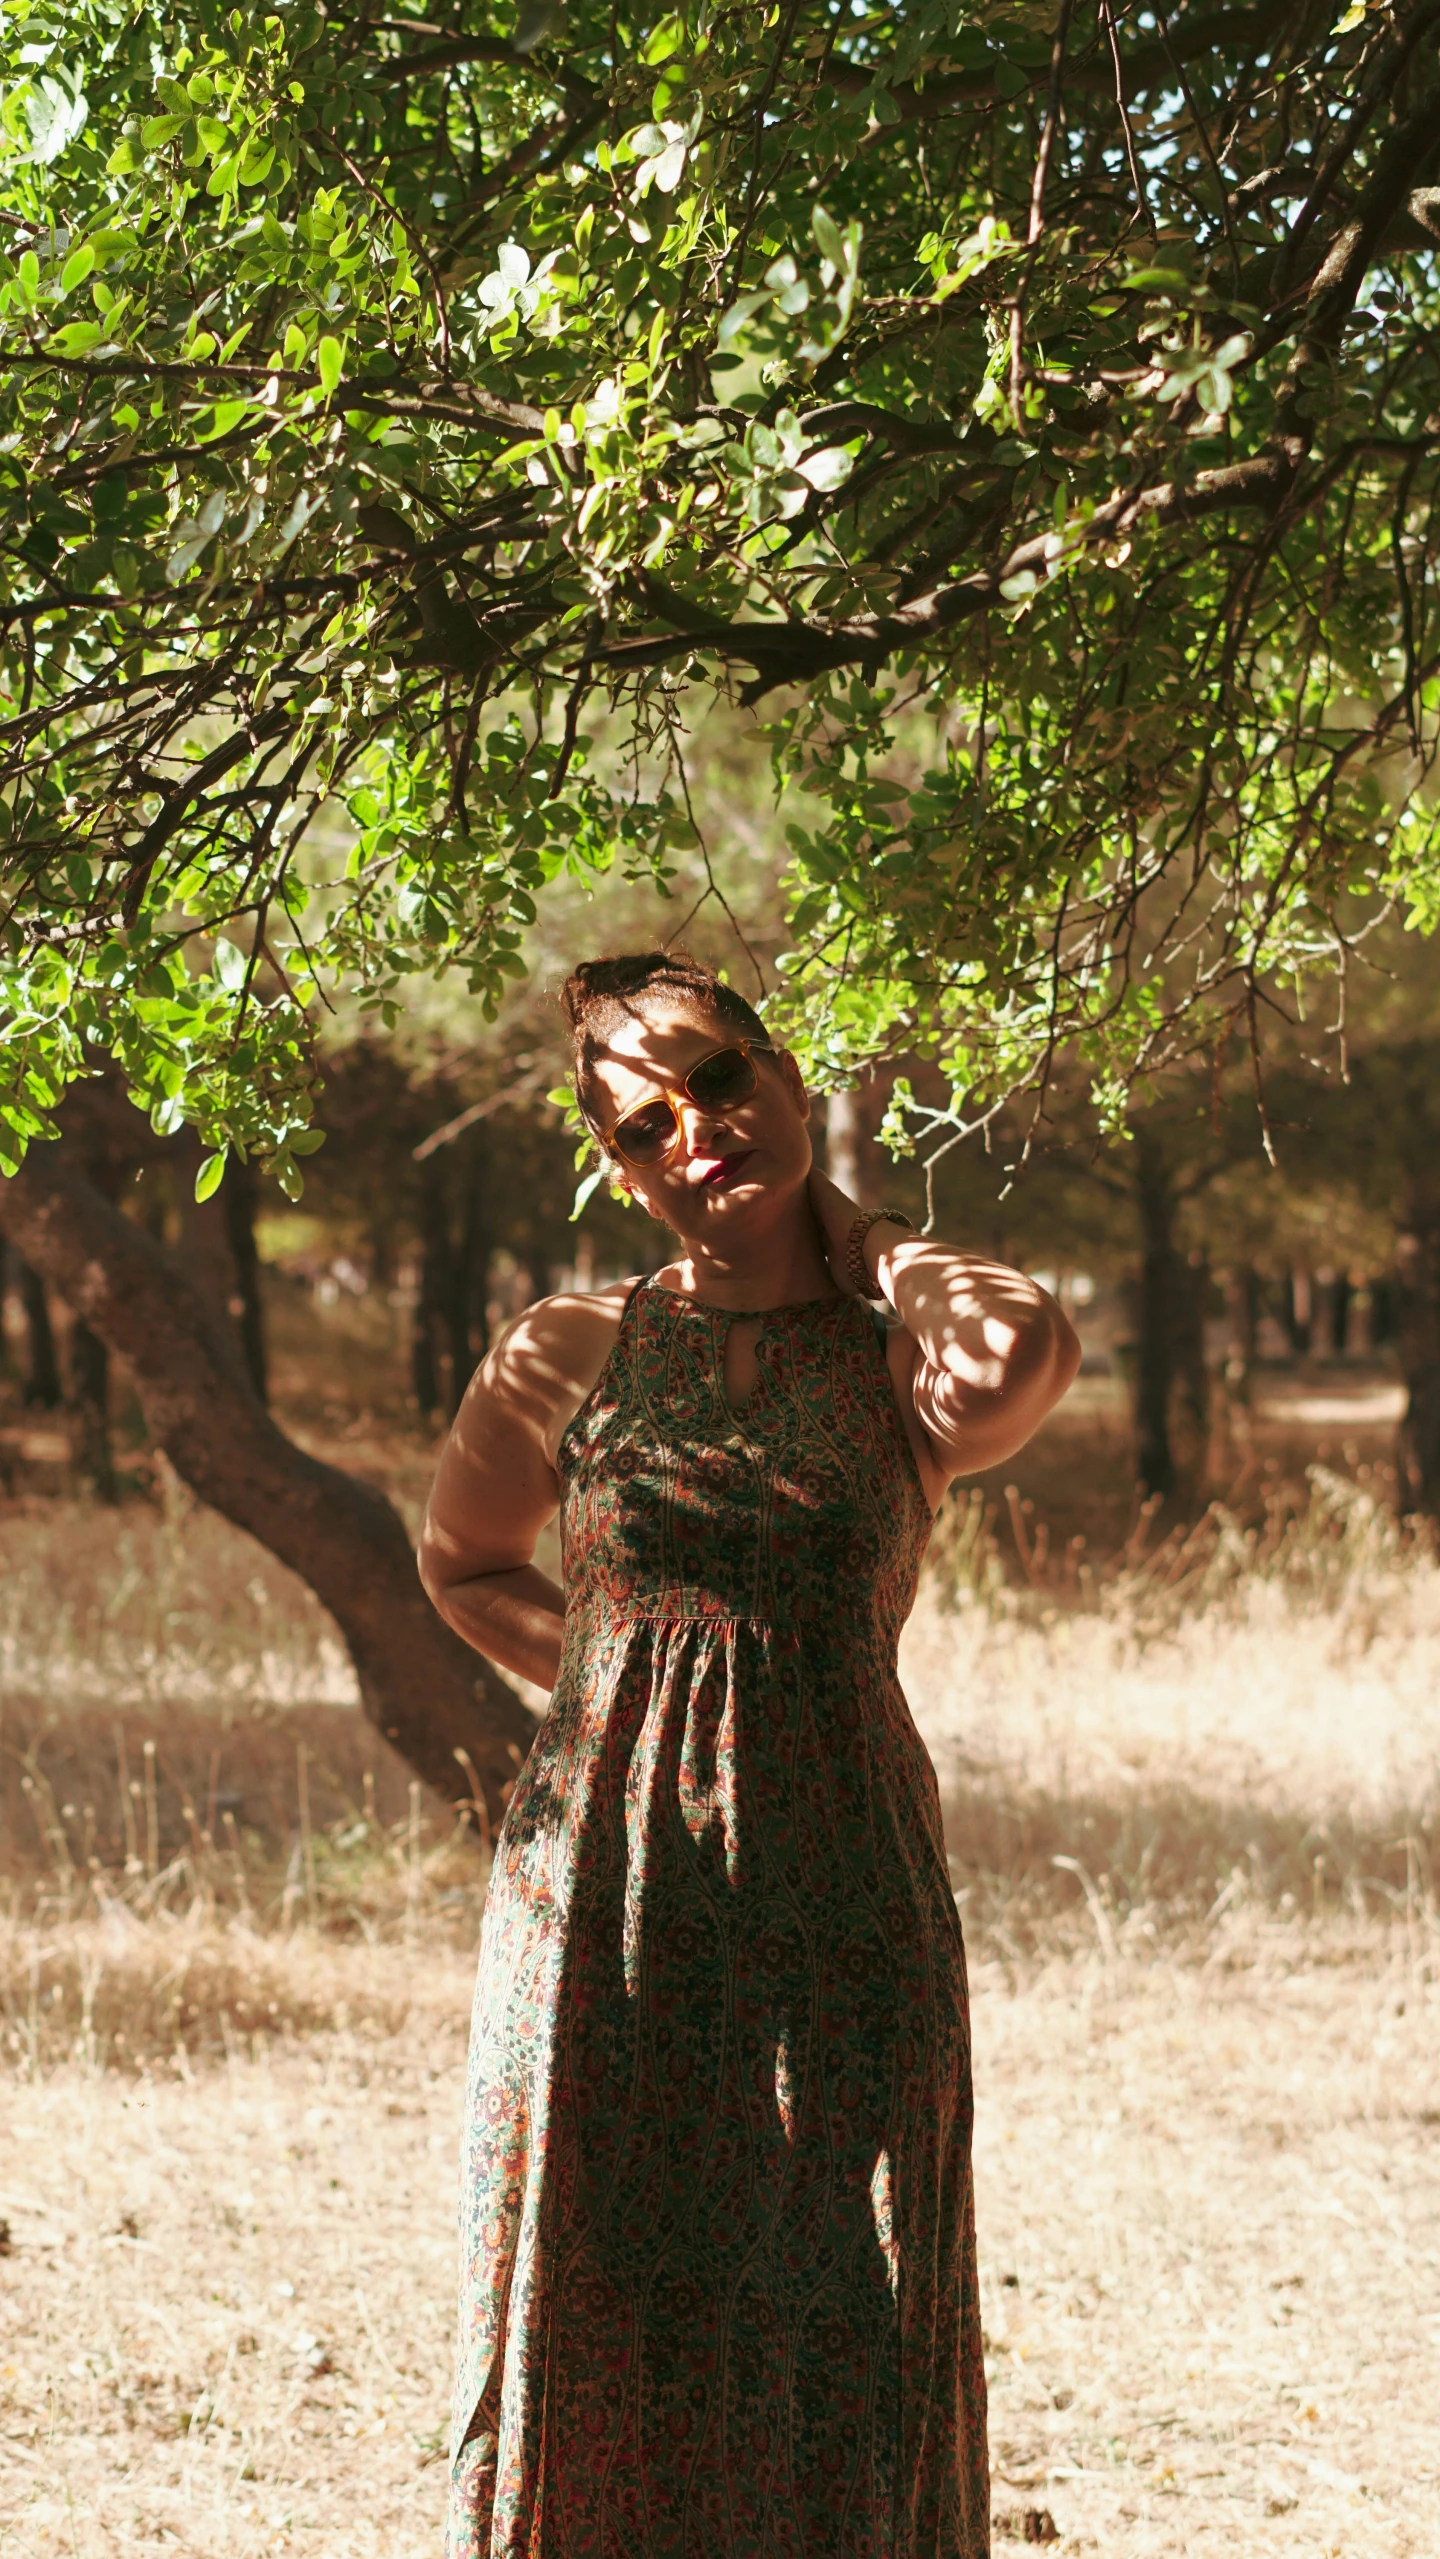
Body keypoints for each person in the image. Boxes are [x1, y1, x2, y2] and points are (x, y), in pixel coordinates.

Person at [419, 950, 1080, 2559]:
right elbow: (463, 1564)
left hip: (843, 1886)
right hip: (602, 1894)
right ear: (614, 1166)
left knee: (848, 2312)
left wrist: (862, 1234)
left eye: (719, 1079)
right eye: (644, 1125)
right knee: (599, 2305)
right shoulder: (563, 1349)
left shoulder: (903, 1361)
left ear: (785, 1075)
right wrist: (608, 1688)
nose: (694, 1134)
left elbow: (1017, 1349)